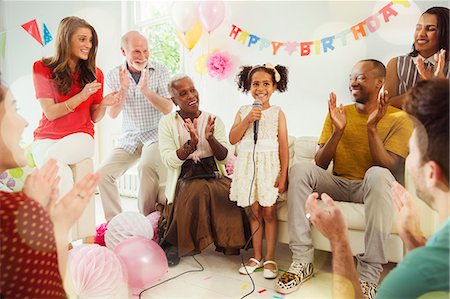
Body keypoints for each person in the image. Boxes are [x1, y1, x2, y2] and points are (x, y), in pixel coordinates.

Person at [275, 59, 413, 298]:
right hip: (337, 183)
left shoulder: (399, 119)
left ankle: (369, 276)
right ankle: (302, 261)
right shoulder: (339, 114)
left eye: (360, 78)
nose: (353, 82)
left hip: (369, 187)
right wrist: (338, 131)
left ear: (380, 82)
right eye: (351, 77)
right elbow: (320, 163)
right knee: (300, 169)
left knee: (378, 174)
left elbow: (389, 166)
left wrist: (372, 129)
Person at [306, 79, 449, 298]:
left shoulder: (407, 281)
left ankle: (368, 276)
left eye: (411, 152)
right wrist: (414, 240)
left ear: (431, 173)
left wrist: (338, 240)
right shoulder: (437, 249)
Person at [0, 80, 100, 298]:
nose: (24, 122)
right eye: (13, 111)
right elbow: (50, 290)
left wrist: (57, 223)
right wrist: (56, 226)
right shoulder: (8, 212)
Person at [158, 74, 248, 266]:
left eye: (193, 89)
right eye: (183, 93)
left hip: (213, 173)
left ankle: (230, 242)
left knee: (230, 192)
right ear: (174, 100)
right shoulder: (167, 122)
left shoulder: (214, 119)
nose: (191, 96)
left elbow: (224, 157)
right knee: (196, 191)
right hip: (185, 176)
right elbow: (169, 161)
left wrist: (210, 139)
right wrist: (191, 144)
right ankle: (173, 243)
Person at [31, 16, 119, 198]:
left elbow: (94, 117)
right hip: (45, 138)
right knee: (60, 172)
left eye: (90, 41)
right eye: (82, 39)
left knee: (51, 161)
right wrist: (82, 95)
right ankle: (65, 223)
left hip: (81, 137)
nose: (88, 45)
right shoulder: (42, 68)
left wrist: (102, 104)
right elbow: (51, 113)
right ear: (66, 39)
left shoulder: (96, 74)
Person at [98, 31, 172, 221]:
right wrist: (123, 90)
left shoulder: (160, 70)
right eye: (136, 51)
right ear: (124, 51)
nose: (143, 56)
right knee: (103, 174)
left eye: (146, 51)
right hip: (129, 138)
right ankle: (116, 223)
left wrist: (146, 91)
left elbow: (168, 108)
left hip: (155, 134)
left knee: (146, 166)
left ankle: (147, 222)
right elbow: (112, 114)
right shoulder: (114, 75)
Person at [229, 63, 289, 279]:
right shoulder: (244, 111)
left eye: (266, 84)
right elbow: (233, 139)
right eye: (255, 84)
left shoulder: (277, 113)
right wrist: (247, 120)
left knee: (269, 212)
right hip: (248, 168)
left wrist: (283, 175)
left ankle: (271, 257)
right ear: (248, 86)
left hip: (268, 168)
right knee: (254, 212)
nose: (260, 88)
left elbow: (283, 146)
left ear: (274, 87)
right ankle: (257, 256)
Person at [386, 6, 449, 109]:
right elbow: (386, 105)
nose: (421, 34)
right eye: (418, 28)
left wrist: (440, 87)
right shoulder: (396, 64)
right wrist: (424, 89)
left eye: (430, 29)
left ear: (445, 33)